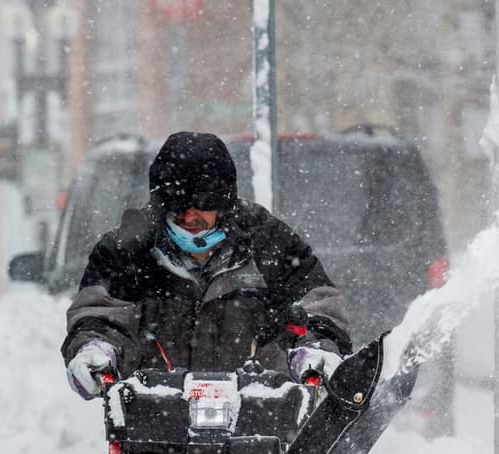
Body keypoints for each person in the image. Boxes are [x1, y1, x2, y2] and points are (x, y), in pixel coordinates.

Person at [62, 131, 352, 399]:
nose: (190, 217)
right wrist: (95, 348)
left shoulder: (267, 241)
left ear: (224, 203)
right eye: (177, 205)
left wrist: (317, 345)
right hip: (154, 418)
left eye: (202, 203)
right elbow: (101, 313)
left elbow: (317, 301)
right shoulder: (128, 250)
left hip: (259, 415)